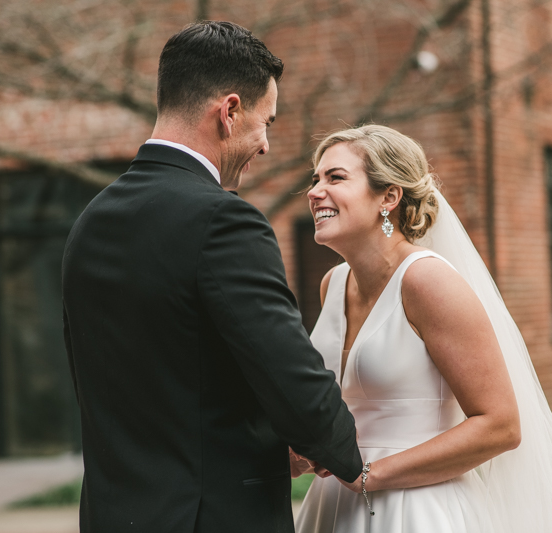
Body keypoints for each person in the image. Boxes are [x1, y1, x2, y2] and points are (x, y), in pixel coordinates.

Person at [62, 22, 361, 533]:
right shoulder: (224, 220)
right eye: (265, 121)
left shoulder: (90, 221)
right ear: (228, 112)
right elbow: (289, 376)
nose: (265, 144)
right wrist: (344, 454)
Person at [294, 125, 552, 533]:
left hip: (416, 508)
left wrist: (371, 475)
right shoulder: (333, 283)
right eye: (315, 179)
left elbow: (501, 426)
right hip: (335, 505)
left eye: (335, 177)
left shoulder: (427, 282)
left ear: (388, 196)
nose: (315, 192)